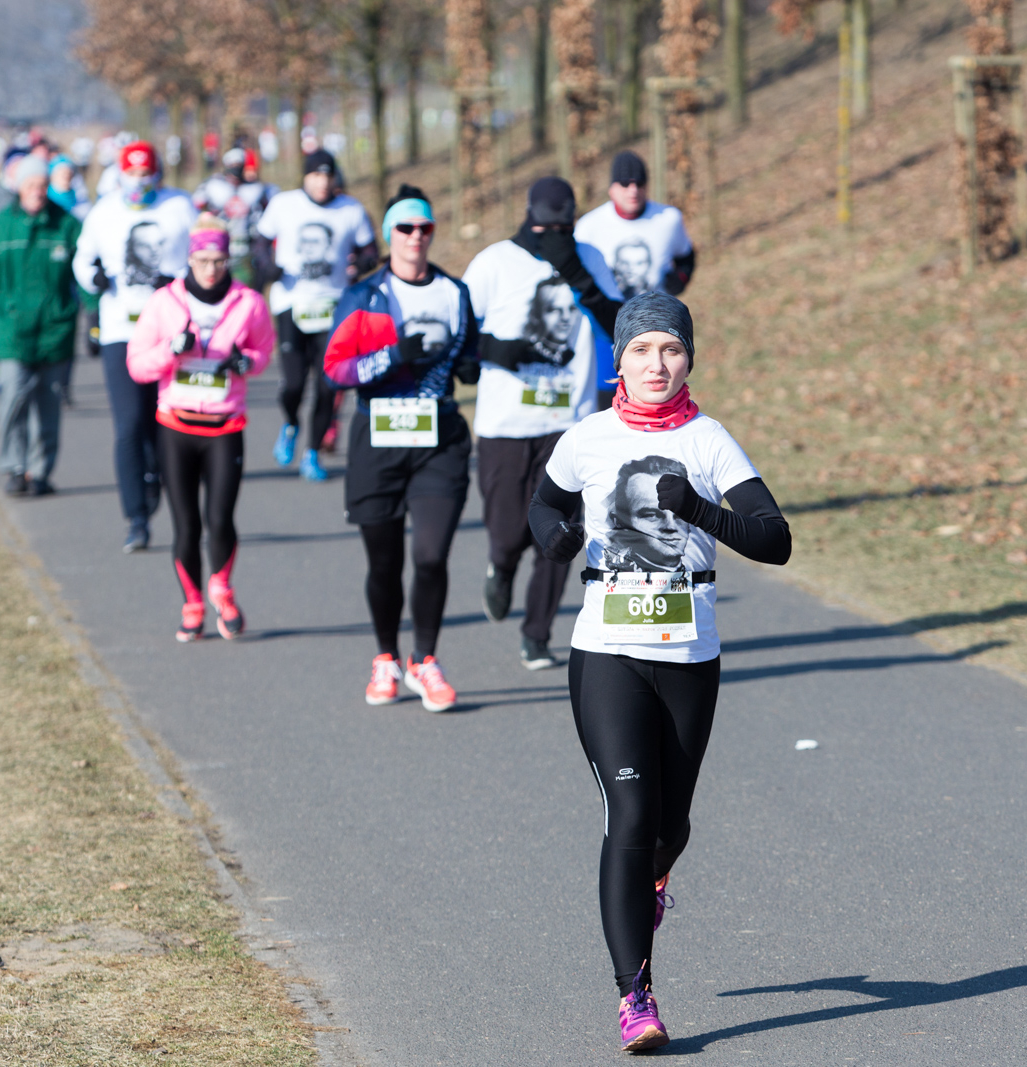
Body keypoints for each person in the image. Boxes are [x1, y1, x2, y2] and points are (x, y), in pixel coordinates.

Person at [527, 292, 791, 1051]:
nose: (656, 363)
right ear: (620, 360)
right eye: (641, 350)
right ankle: (634, 996)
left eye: (671, 349)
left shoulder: (709, 440)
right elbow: (541, 507)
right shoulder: (587, 438)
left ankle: (652, 883)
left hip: (689, 655)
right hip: (606, 650)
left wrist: (702, 510)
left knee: (670, 827)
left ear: (689, 359)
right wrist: (555, 539)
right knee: (632, 815)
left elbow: (775, 540)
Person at [321, 185, 477, 710]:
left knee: (431, 555)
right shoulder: (364, 295)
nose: (415, 237)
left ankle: (425, 660)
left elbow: (470, 353)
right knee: (384, 562)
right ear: (390, 234)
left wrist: (472, 365)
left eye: (424, 227)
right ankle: (385, 657)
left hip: (439, 440)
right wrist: (391, 357)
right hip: (379, 437)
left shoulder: (454, 292)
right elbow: (335, 370)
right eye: (405, 228)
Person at [461, 176, 623, 671]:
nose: (553, 236)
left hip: (568, 422)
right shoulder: (493, 262)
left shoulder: (588, 258)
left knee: (562, 532)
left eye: (562, 228)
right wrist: (497, 350)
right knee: (508, 531)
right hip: (505, 423)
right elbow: (460, 333)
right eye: (544, 227)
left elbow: (620, 324)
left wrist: (576, 273)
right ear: (528, 218)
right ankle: (501, 565)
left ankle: (537, 633)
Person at [126, 216, 274, 641]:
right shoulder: (164, 302)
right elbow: (137, 365)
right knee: (186, 525)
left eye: (219, 261)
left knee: (220, 518)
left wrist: (246, 362)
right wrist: (171, 351)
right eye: (203, 260)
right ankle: (192, 604)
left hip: (225, 426)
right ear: (190, 259)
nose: (211, 269)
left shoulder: (248, 302)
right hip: (177, 426)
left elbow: (263, 350)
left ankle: (221, 589)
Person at [74, 140, 198, 552]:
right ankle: (137, 518)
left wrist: (179, 281)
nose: (139, 181)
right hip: (120, 331)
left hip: (170, 331)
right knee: (128, 425)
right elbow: (82, 259)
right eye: (132, 173)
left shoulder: (179, 206)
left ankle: (162, 483)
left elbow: (204, 257)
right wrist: (93, 279)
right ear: (120, 173)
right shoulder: (104, 212)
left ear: (158, 173)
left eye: (146, 174)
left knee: (165, 421)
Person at [254, 149, 375, 482]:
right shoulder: (284, 204)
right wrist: (268, 267)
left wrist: (362, 265)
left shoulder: (350, 209)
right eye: (316, 175)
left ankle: (312, 453)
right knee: (294, 383)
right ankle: (291, 424)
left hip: (334, 306)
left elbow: (369, 249)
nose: (322, 182)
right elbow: (260, 242)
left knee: (327, 386)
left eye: (328, 175)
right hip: (291, 304)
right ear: (305, 177)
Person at [0, 154, 83, 497]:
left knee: (49, 405)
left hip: (54, 330)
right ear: (19, 187)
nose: (37, 191)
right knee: (12, 397)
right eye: (31, 185)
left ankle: (40, 472)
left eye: (42, 185)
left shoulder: (66, 225)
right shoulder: (1, 225)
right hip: (12, 330)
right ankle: (14, 467)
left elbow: (84, 272)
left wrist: (94, 314)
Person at [573, 150, 695, 406]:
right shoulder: (589, 226)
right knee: (607, 401)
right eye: (625, 183)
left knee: (656, 397)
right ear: (611, 188)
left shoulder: (668, 219)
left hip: (656, 327)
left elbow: (686, 256)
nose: (633, 190)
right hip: (607, 330)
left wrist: (680, 278)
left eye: (639, 183)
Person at [193, 147, 276, 285]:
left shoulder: (258, 188)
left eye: (239, 164)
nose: (236, 168)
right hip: (219, 246)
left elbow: (271, 211)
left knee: (247, 287)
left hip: (248, 248)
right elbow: (196, 207)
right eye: (233, 164)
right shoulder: (212, 185)